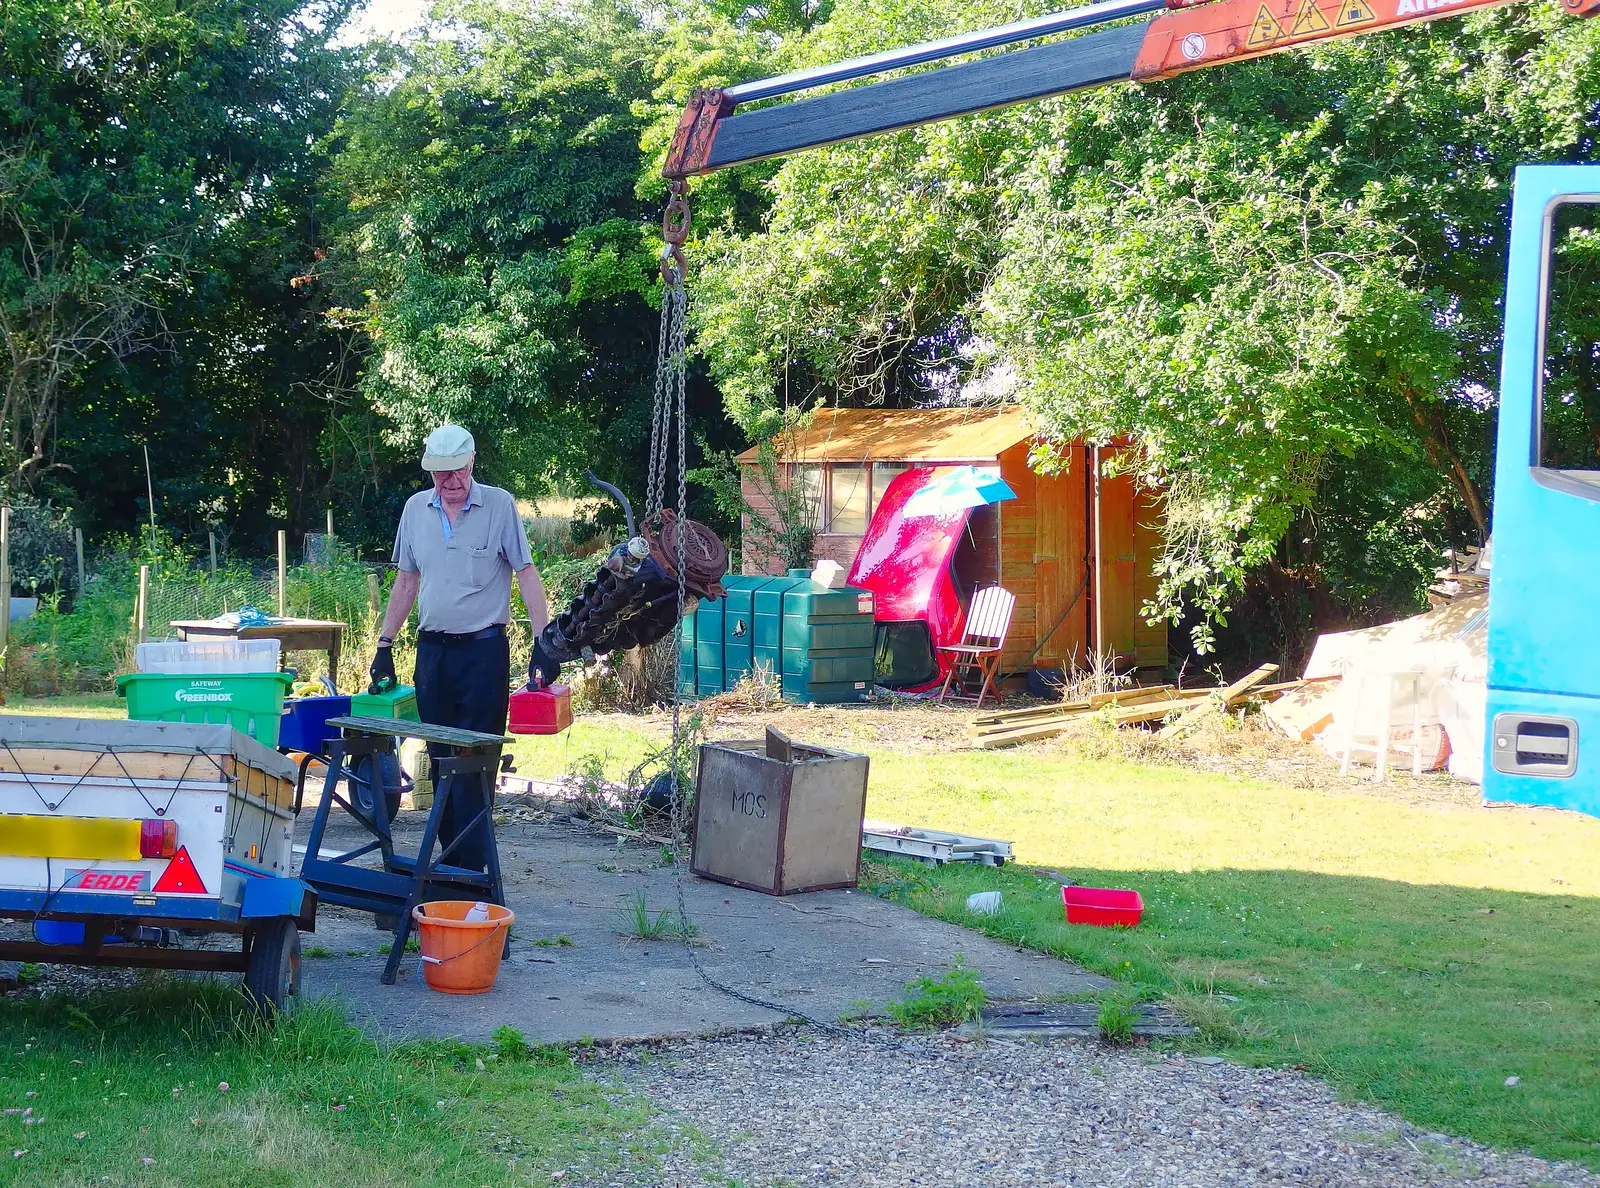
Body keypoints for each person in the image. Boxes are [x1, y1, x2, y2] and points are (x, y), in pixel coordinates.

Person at [370, 424, 555, 871]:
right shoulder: (415, 509)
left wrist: (543, 641)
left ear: (472, 464)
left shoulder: (498, 505)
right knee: (440, 758)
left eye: (458, 472)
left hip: (483, 653)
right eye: (441, 475)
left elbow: (526, 574)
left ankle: (471, 869)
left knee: (475, 760)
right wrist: (385, 643)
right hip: (433, 653)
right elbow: (407, 580)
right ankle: (451, 863)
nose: (450, 482)